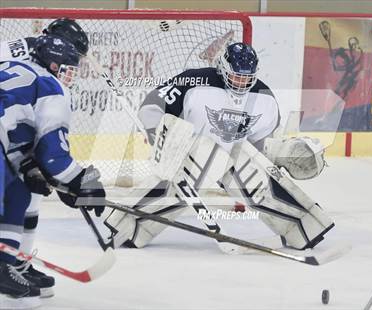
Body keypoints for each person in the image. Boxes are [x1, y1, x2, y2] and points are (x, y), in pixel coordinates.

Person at [105, 42, 332, 250]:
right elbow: (151, 106)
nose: (242, 82)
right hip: (192, 150)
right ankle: (127, 226)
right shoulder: (194, 81)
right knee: (178, 184)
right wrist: (158, 133)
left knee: (259, 185)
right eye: (236, 76)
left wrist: (282, 154)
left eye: (247, 77)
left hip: (233, 154)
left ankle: (302, 227)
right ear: (223, 67)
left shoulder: (265, 98)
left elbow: (262, 143)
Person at [0, 34, 105, 309]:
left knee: (17, 192)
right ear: (55, 65)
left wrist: (28, 165)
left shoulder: (13, 65)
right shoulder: (51, 86)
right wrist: (81, 182)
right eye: (69, 69)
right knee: (13, 195)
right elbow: (54, 154)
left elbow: (12, 128)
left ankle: (5, 264)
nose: (71, 76)